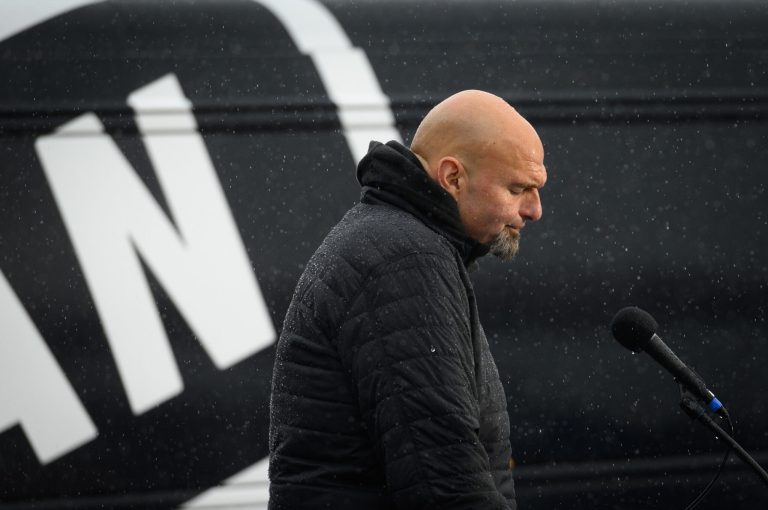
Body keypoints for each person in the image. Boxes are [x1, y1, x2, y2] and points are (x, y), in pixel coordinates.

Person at [268, 90, 547, 509]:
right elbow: (444, 482)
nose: (535, 210)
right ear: (452, 177)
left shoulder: (395, 241)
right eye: (517, 188)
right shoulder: (404, 259)